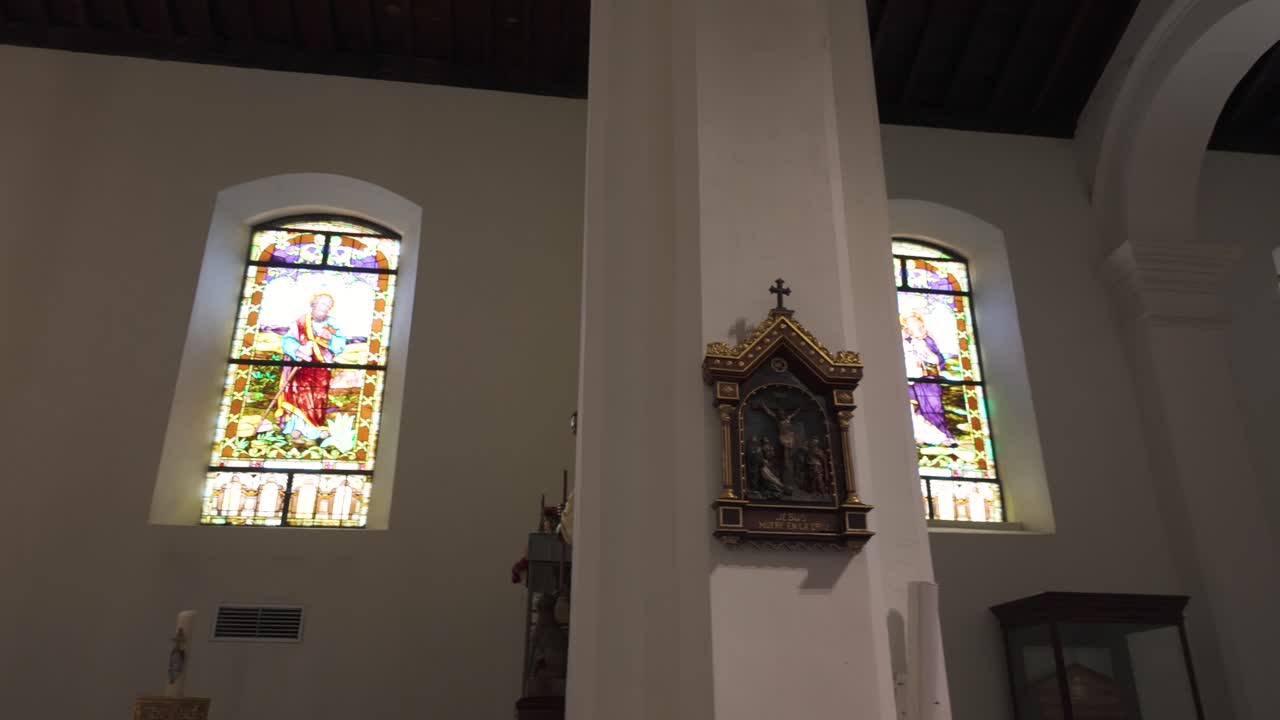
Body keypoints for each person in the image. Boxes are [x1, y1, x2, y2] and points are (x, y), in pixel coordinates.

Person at [276, 294, 347, 441]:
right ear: (313, 304)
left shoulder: (332, 324)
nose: (324, 308)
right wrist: (298, 349)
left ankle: (315, 428)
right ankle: (295, 427)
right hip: (301, 367)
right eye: (322, 304)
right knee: (299, 395)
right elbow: (287, 340)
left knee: (318, 398)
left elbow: (340, 344)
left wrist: (330, 339)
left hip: (321, 368)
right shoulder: (301, 322)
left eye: (328, 306)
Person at [901, 311, 955, 445]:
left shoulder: (928, 340)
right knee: (917, 409)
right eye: (911, 323)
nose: (916, 325)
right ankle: (923, 438)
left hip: (929, 380)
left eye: (917, 321)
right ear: (906, 327)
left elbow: (938, 359)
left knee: (934, 406)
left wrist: (931, 361)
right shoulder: (905, 342)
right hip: (914, 380)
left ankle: (942, 434)